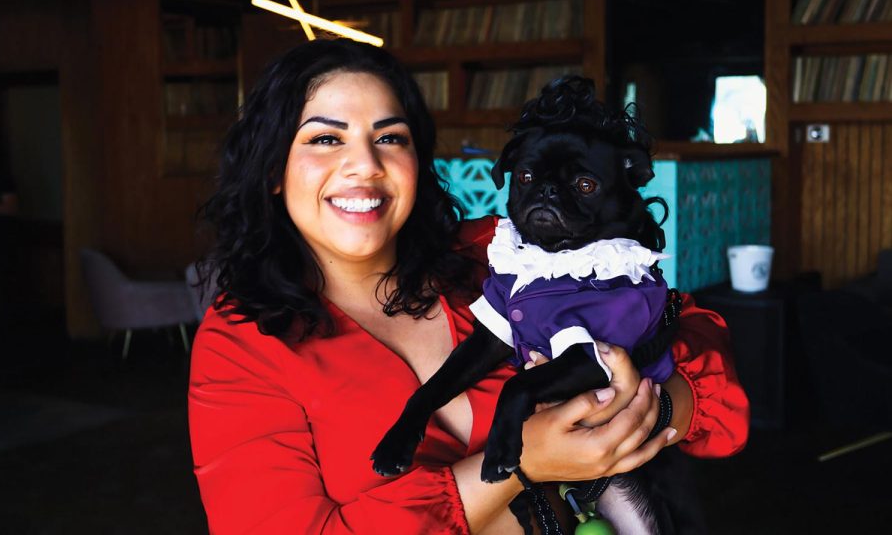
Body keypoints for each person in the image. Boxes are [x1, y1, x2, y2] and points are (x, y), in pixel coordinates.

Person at [188, 38, 749, 534]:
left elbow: (690, 327)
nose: (364, 165)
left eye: (391, 137)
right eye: (325, 140)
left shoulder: (500, 256)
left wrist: (646, 411)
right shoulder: (239, 344)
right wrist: (523, 464)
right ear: (272, 171)